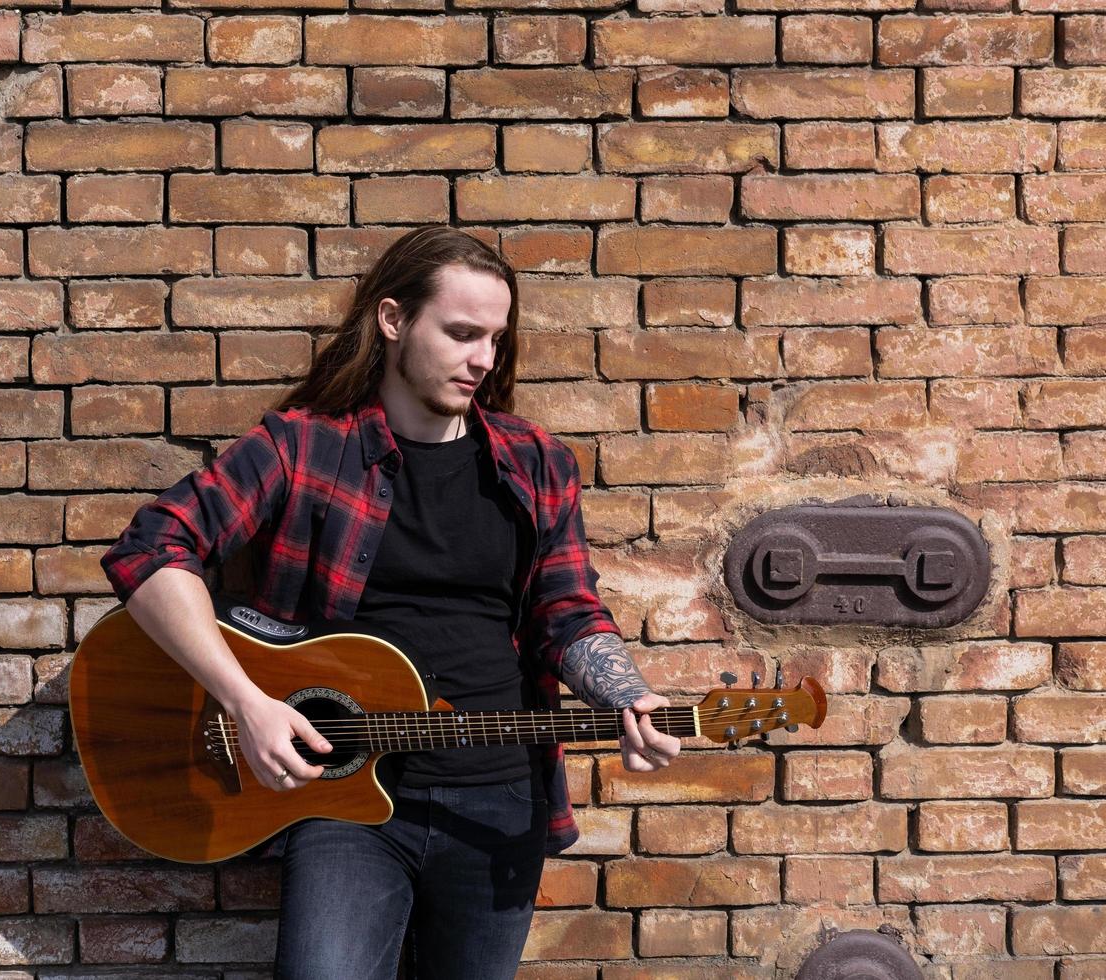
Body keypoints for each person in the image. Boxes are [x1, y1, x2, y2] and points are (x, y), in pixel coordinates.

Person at [99, 225, 682, 980]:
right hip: (346, 805)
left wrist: (630, 695)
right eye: (462, 333)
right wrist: (244, 700)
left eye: (496, 340)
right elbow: (151, 550)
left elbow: (567, 613)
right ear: (393, 320)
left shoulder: (537, 463)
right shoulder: (305, 446)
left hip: (496, 800)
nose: (483, 359)